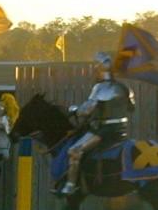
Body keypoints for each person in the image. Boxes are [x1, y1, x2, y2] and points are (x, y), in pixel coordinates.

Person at [58, 51, 135, 196]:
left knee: (74, 151)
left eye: (96, 67)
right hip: (121, 130)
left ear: (101, 69)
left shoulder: (100, 88)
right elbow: (132, 108)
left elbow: (86, 111)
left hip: (103, 131)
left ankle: (70, 185)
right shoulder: (125, 87)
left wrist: (73, 109)